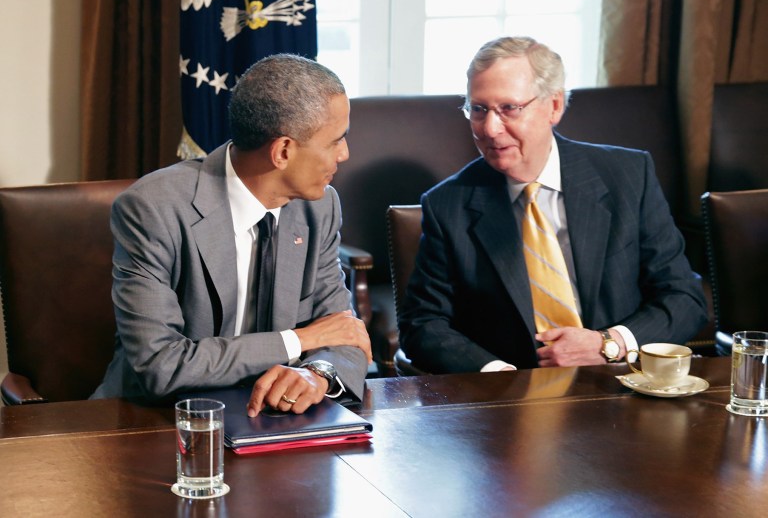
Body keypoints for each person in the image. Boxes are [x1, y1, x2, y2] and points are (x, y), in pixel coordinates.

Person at [398, 36, 708, 373]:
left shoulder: (627, 177)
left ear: (554, 106)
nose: (490, 128)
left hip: (619, 384)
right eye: (478, 109)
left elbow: (684, 298)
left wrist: (609, 343)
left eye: (509, 109)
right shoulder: (449, 205)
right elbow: (423, 324)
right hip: (511, 400)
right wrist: (497, 377)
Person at [92, 54, 372, 415]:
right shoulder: (151, 209)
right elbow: (161, 365)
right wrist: (299, 341)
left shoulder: (319, 206)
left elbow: (344, 334)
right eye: (336, 140)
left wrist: (317, 374)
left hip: (270, 421)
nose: (345, 153)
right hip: (151, 420)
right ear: (283, 151)